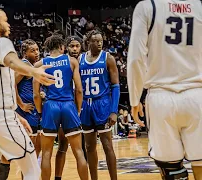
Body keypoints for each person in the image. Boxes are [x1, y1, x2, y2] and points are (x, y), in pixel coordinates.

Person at [0, 7, 55, 180]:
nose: (8, 24)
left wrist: (16, 115)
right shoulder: (1, 42)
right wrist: (34, 72)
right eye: (5, 20)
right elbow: (11, 61)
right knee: (31, 166)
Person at [128, 0, 202, 179]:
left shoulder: (147, 7)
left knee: (171, 171)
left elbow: (136, 59)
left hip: (161, 98)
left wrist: (135, 99)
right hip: (197, 95)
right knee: (201, 163)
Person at [33, 35, 88, 180]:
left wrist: (40, 111)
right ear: (62, 47)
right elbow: (79, 90)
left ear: (48, 48)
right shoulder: (72, 61)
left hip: (50, 106)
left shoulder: (39, 64)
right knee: (78, 151)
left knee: (46, 153)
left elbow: (36, 95)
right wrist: (77, 109)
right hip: (68, 104)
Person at [0, 39, 43, 180]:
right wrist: (21, 104)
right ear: (25, 53)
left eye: (37, 49)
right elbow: (11, 85)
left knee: (33, 150)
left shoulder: (30, 66)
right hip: (25, 113)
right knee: (27, 151)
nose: (36, 53)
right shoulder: (24, 65)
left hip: (31, 111)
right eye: (33, 50)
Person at [80, 29, 120, 180]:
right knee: (89, 147)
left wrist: (114, 110)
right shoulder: (80, 59)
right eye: (95, 41)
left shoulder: (108, 58)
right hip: (86, 106)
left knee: (107, 145)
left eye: (101, 41)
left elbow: (115, 86)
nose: (99, 43)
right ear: (88, 42)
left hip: (102, 104)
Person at [54, 36, 86, 180]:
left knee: (85, 147)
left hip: (84, 106)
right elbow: (78, 89)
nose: (74, 49)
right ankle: (58, 177)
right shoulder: (66, 62)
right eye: (72, 46)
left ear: (81, 47)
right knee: (65, 145)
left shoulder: (85, 61)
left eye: (77, 46)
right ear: (66, 47)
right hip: (70, 107)